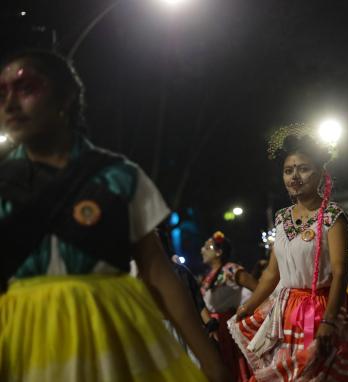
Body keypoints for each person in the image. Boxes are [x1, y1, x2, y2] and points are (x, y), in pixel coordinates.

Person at [0, 50, 228, 382]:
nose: (9, 104)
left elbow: (158, 273)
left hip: (110, 337)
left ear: (65, 96)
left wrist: (212, 362)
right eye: (2, 92)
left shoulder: (118, 177)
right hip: (23, 340)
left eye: (25, 88)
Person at [228, 126, 348, 381]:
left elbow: (340, 272)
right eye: (288, 170)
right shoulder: (282, 218)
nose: (295, 176)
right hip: (286, 312)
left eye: (303, 169)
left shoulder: (332, 216)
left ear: (320, 174)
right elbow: (272, 273)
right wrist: (247, 307)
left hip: (321, 309)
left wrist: (328, 321)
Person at [201, 230, 258, 381]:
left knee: (234, 366)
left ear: (219, 252)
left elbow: (258, 289)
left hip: (228, 328)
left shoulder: (231, 269)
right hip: (214, 328)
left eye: (207, 247)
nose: (202, 250)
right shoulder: (208, 277)